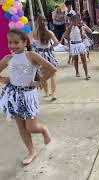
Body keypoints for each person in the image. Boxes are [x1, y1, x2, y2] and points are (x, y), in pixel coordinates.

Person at [0, 29, 56, 165]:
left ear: (25, 42)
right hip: (13, 95)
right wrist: (3, 79)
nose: (12, 46)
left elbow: (51, 69)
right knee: (21, 127)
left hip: (28, 95)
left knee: (31, 127)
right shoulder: (8, 58)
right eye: (10, 42)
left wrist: (40, 81)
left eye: (16, 42)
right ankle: (31, 151)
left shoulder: (31, 55)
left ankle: (43, 129)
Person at [30, 16, 59, 101]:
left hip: (39, 55)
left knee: (43, 73)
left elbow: (27, 43)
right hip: (48, 53)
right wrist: (51, 47)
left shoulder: (33, 33)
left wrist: (34, 47)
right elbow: (57, 42)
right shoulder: (49, 32)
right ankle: (53, 94)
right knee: (53, 74)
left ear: (37, 23)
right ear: (45, 23)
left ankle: (46, 93)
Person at [65, 15, 90, 80]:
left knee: (83, 59)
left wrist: (83, 41)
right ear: (71, 21)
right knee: (75, 60)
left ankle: (86, 74)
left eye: (76, 20)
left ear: (78, 20)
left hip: (80, 44)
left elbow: (82, 35)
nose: (75, 22)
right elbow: (66, 36)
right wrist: (70, 43)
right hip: (73, 44)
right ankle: (77, 72)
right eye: (73, 21)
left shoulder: (80, 27)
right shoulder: (69, 28)